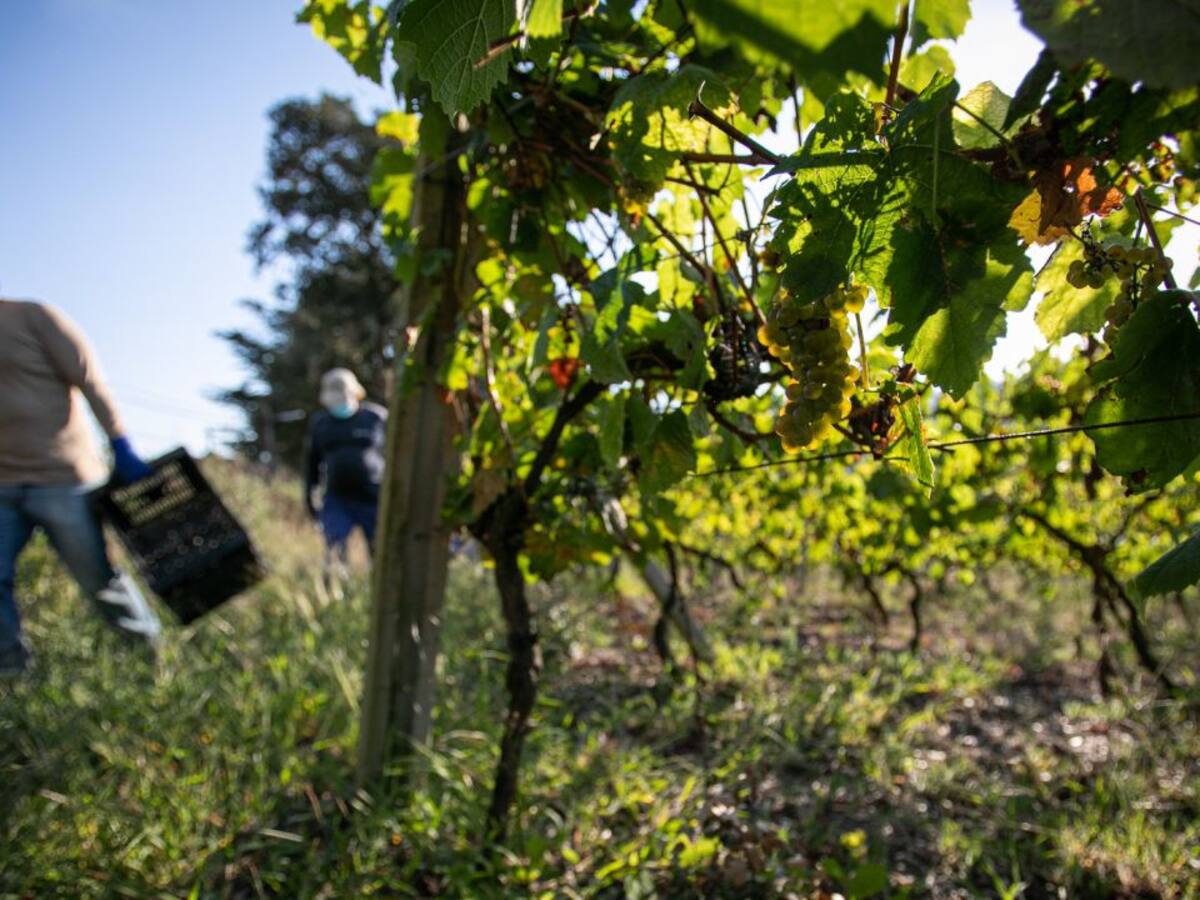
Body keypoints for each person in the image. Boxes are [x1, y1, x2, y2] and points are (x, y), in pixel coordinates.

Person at [0, 297, 162, 677]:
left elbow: (90, 379)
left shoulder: (33, 318)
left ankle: (147, 661)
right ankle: (10, 674)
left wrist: (120, 443)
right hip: (2, 485)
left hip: (64, 480)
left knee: (98, 577)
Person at [303, 369, 387, 585]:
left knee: (381, 553)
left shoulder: (376, 418)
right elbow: (312, 464)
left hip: (373, 498)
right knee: (334, 550)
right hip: (337, 499)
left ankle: (380, 592)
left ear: (356, 394)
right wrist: (310, 498)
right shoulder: (321, 424)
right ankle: (335, 597)